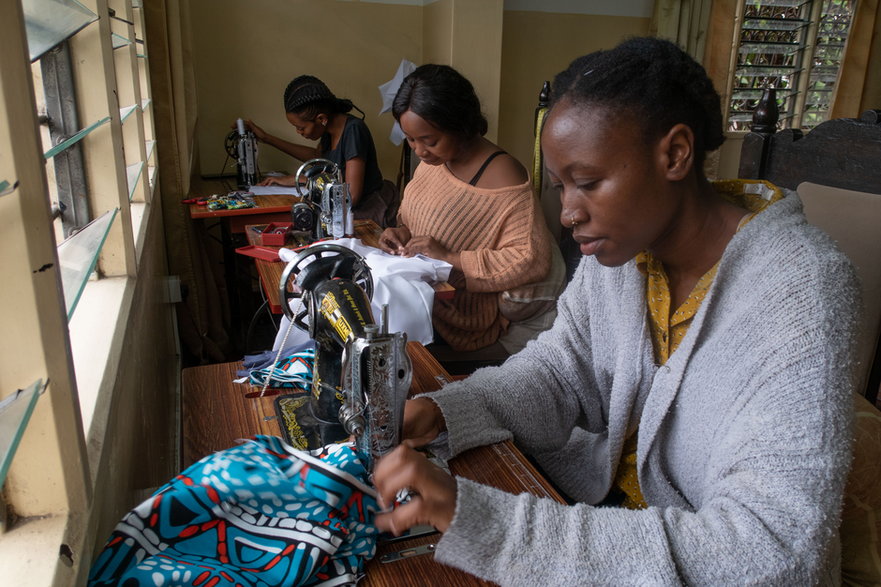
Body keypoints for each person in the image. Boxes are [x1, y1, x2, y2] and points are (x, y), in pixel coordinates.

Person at [371, 38, 861, 584]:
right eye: (561, 188)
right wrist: (447, 410)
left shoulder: (800, 288)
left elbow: (774, 552)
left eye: (588, 183)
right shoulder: (622, 257)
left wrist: (491, 524)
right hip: (602, 518)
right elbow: (559, 374)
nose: (568, 215)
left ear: (674, 154)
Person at [378, 64, 561, 355]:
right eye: (411, 139)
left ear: (460, 125)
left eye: (429, 140)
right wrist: (401, 232)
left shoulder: (504, 176)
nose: (420, 151)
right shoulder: (434, 162)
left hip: (460, 316)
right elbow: (415, 217)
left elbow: (531, 260)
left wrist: (451, 258)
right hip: (421, 294)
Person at [243, 75, 398, 226]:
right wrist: (267, 139)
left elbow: (351, 196)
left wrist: (306, 180)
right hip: (344, 209)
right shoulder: (328, 131)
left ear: (321, 119)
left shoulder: (354, 131)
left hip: (366, 210)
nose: (299, 132)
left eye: (301, 128)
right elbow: (317, 157)